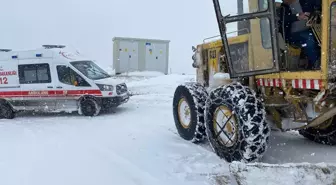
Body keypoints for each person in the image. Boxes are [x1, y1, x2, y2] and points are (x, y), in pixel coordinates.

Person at [278, 0, 321, 69]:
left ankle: (315, 62)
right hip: (293, 35)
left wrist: (314, 13)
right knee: (309, 39)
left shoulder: (306, 2)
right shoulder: (283, 8)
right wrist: (297, 16)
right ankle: (317, 64)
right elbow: (282, 19)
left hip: (312, 29)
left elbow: (319, 6)